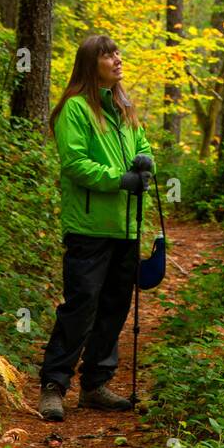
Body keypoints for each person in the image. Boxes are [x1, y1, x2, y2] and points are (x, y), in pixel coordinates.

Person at [38, 33, 155, 422]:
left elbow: (145, 148)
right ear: (91, 64)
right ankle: (54, 386)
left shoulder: (125, 108)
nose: (117, 59)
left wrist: (144, 165)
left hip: (125, 227)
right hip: (88, 226)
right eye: (108, 55)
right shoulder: (75, 109)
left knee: (114, 307)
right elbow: (74, 163)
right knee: (81, 306)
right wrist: (120, 179)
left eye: (118, 53)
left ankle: (95, 385)